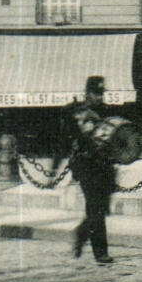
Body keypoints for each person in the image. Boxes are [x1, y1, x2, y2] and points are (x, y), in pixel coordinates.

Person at [52, 76, 124, 265]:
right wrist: (54, 167)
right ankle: (101, 253)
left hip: (105, 166)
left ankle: (81, 234)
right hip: (86, 165)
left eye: (102, 93)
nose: (99, 97)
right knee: (95, 208)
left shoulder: (107, 112)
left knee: (101, 209)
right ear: (87, 93)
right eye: (96, 93)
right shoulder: (75, 113)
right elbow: (63, 142)